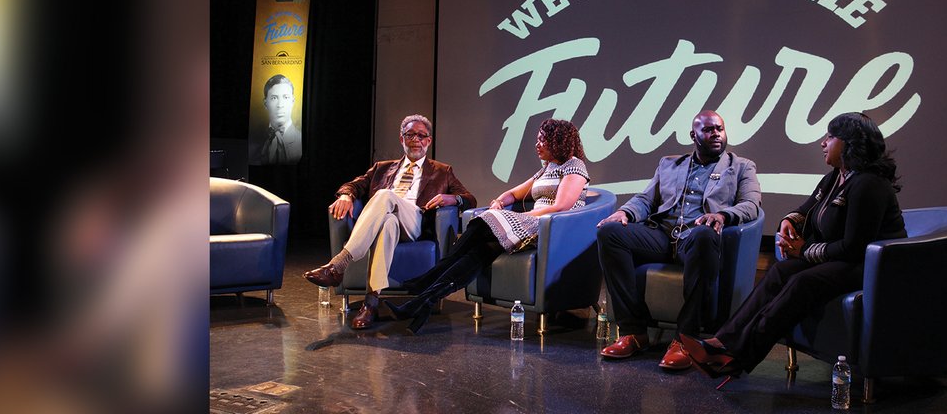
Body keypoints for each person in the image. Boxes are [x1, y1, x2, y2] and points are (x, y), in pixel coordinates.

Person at [677, 112, 907, 386]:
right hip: (843, 260)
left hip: (870, 267)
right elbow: (806, 209)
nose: (823, 143)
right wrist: (788, 221)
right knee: (779, 272)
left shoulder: (869, 184)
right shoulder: (837, 177)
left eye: (830, 137)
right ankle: (722, 342)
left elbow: (854, 247)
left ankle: (738, 358)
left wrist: (803, 251)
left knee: (802, 281)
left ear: (848, 143)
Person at [380, 118, 590, 334]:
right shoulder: (547, 168)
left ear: (558, 141)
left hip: (548, 228)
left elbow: (561, 206)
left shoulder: (574, 166)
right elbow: (513, 193)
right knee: (478, 253)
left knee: (481, 223)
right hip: (529, 224)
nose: (537, 145)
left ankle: (427, 279)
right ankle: (422, 303)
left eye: (542, 140)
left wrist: (523, 215)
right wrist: (500, 201)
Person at [596, 110, 762, 371]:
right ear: (693, 135)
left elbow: (751, 205)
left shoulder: (740, 166)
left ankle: (686, 339)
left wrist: (722, 215)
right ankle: (634, 332)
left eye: (720, 128)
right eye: (708, 130)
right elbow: (646, 199)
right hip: (663, 234)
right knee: (609, 233)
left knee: (704, 234)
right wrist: (624, 212)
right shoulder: (669, 164)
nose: (716, 133)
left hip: (697, 239)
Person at [303, 114, 477, 329]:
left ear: (429, 141)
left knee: (385, 195)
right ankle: (371, 303)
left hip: (415, 222)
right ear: (401, 139)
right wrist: (346, 196)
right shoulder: (382, 168)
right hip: (388, 220)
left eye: (422, 136)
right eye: (410, 135)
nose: (416, 140)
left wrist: (454, 198)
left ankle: (339, 265)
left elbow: (470, 199)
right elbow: (354, 185)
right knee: (387, 224)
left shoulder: (442, 171)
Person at [253, 74, 303, 164]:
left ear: (292, 101)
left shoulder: (301, 141)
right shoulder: (254, 142)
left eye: (286, 97)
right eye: (274, 98)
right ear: (265, 103)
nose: (280, 105)